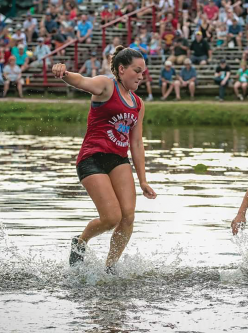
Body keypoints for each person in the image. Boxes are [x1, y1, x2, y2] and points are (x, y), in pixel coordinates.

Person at [52, 46, 157, 272]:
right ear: (121, 69)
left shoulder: (138, 104)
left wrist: (143, 180)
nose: (141, 75)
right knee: (111, 217)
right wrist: (64, 73)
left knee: (127, 216)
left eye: (143, 72)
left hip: (118, 160)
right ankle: (80, 243)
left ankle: (110, 268)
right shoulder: (107, 86)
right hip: (92, 159)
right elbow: (81, 81)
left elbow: (136, 143)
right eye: (137, 70)